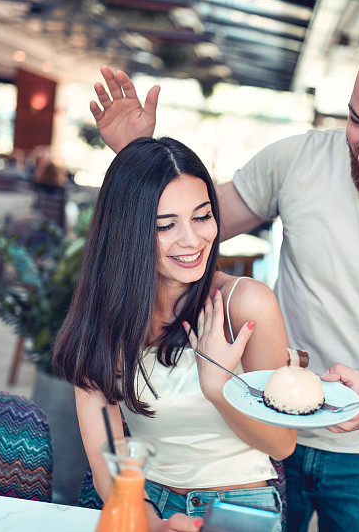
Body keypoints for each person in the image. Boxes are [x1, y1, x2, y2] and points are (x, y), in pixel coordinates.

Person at [89, 16, 359, 531]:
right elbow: (193, 226)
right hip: (260, 434)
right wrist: (137, 159)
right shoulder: (300, 159)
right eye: (358, 120)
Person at [53, 137, 296, 532]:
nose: (192, 239)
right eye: (167, 225)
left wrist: (218, 387)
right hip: (141, 497)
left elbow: (281, 443)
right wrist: (153, 523)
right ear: (127, 233)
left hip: (237, 505)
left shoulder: (246, 304)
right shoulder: (104, 318)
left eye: (202, 217)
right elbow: (108, 459)